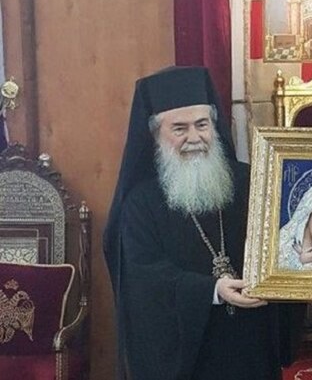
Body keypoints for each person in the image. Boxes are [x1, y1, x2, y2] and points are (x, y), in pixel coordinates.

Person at [103, 66, 296, 379]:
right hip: (187, 359)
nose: (195, 138)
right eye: (179, 129)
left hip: (249, 345)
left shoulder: (250, 182)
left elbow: (287, 241)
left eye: (202, 125)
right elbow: (143, 280)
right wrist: (213, 290)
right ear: (156, 136)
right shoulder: (140, 203)